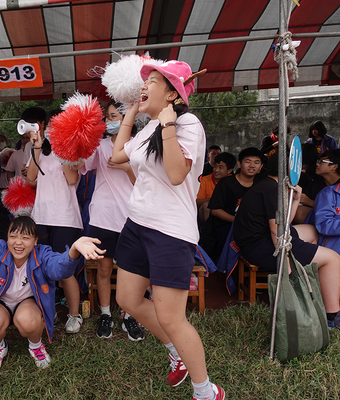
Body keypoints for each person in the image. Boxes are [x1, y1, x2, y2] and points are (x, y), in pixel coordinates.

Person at [111, 60, 225, 400]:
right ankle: (176, 353)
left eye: (154, 80)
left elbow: (177, 174)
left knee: (172, 317)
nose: (144, 84)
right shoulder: (149, 128)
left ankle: (206, 391)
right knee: (127, 300)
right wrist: (131, 112)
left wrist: (169, 124)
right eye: (145, 79)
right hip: (136, 224)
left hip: (170, 232)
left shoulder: (187, 124)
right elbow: (118, 156)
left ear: (174, 92)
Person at [0, 215, 105, 373]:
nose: (18, 243)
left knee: (29, 321)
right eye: (13, 236)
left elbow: (59, 268)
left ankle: (35, 345)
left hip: (27, 303)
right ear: (7, 238)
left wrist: (74, 249)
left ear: (35, 241)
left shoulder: (42, 254)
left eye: (25, 238)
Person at [234, 152, 340, 329]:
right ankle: (331, 316)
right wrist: (287, 263)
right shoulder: (271, 190)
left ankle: (312, 280)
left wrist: (296, 199)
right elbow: (277, 230)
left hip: (260, 240)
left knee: (312, 231)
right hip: (263, 247)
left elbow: (286, 223)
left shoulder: (269, 185)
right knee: (333, 258)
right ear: (290, 169)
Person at [76, 99, 143, 340]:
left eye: (114, 117)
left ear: (129, 118)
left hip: (132, 216)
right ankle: (106, 314)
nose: (109, 122)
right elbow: (80, 166)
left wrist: (126, 167)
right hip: (103, 216)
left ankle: (129, 315)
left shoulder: (140, 145)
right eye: (108, 117)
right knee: (104, 268)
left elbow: (144, 184)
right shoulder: (101, 145)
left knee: (130, 270)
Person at [26, 107, 86, 334]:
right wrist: (36, 148)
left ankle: (74, 314)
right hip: (41, 216)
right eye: (50, 125)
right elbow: (31, 179)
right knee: (40, 266)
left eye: (57, 125)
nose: (51, 129)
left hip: (66, 218)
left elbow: (72, 179)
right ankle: (43, 311)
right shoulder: (40, 150)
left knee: (66, 268)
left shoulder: (72, 150)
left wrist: (62, 147)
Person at [202, 147, 263, 261]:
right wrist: (237, 221)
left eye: (256, 162)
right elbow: (215, 210)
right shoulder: (226, 184)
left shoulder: (262, 185)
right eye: (248, 161)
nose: (252, 165)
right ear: (239, 164)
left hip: (252, 228)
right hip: (226, 227)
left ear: (261, 167)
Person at [196, 152, 235, 223]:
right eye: (215, 166)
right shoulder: (205, 180)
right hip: (206, 215)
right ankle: (208, 232)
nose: (216, 170)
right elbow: (196, 202)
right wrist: (213, 200)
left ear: (229, 170)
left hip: (227, 215)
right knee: (206, 205)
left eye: (220, 167)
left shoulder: (233, 182)